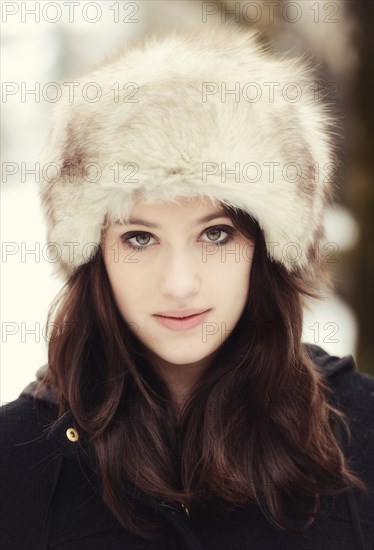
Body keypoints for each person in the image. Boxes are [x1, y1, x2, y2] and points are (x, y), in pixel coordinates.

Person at [1, 25, 373, 550]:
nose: (179, 284)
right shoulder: (14, 464)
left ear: (265, 250)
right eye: (139, 237)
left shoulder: (364, 431)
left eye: (216, 234)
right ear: (94, 254)